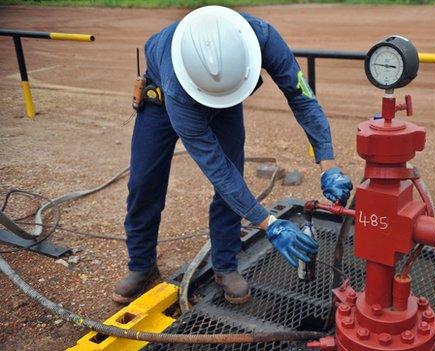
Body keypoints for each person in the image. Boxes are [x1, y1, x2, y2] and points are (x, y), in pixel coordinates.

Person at [113, 6, 353, 305]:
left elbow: (301, 97)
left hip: (224, 99)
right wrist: (270, 224)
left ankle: (225, 265)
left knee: (232, 179)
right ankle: (141, 264)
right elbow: (218, 169)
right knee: (144, 184)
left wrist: (327, 162)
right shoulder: (177, 85)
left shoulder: (262, 37)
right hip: (163, 101)